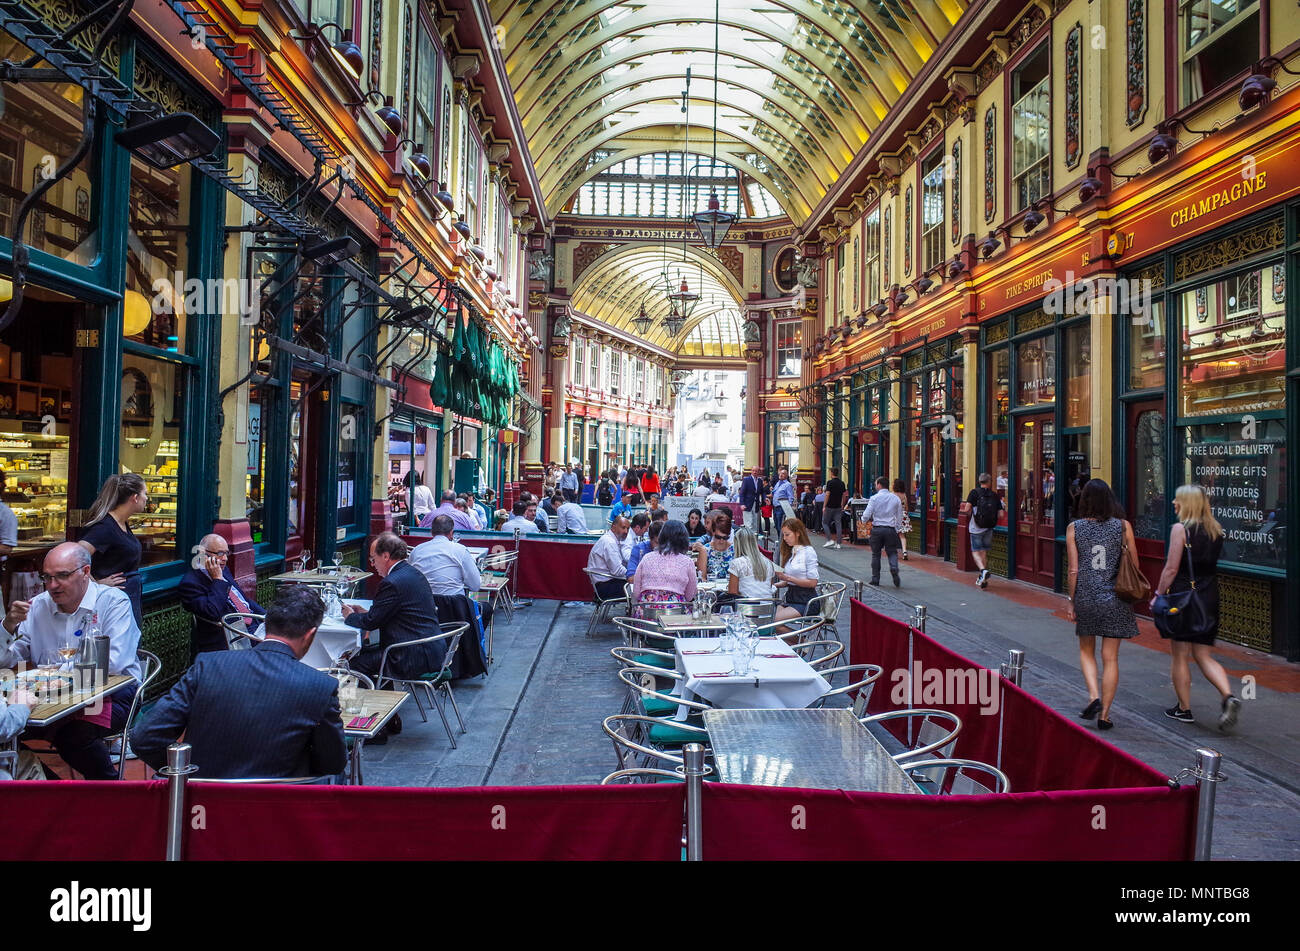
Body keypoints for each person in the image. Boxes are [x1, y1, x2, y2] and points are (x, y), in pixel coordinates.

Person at [132, 586, 347, 780]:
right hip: (276, 810)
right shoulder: (320, 686)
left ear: (267, 624)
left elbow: (145, 737)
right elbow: (334, 763)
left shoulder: (208, 666)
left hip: (200, 805)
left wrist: (186, 770)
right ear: (310, 635)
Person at [1, 543, 141, 779]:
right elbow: (8, 661)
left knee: (75, 737)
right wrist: (7, 627)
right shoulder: (37, 606)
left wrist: (52, 673)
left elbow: (114, 663)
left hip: (113, 693)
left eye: (62, 576)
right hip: (51, 697)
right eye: (47, 577)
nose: (52, 585)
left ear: (85, 572)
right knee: (9, 735)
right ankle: (51, 790)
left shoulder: (113, 602)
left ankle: (112, 789)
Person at [1152, 484, 1241, 731]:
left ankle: (1184, 708)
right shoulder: (1216, 530)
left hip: (1184, 598)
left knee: (1180, 655)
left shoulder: (1180, 530)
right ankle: (1228, 696)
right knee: (1203, 655)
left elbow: (1171, 568)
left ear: (1187, 503)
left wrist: (1158, 595)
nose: (1173, 502)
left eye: (1177, 499)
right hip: (1209, 596)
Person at [1065, 479, 1138, 731]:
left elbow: (1073, 570)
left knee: (1087, 651)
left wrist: (1072, 601)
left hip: (1087, 596)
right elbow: (1134, 566)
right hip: (1116, 598)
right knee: (1111, 658)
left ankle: (1093, 695)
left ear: (1084, 500)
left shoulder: (1074, 528)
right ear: (1110, 499)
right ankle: (1105, 715)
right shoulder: (1123, 527)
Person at [342, 533, 444, 690]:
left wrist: (350, 616)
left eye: (373, 559)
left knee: (353, 665)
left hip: (410, 655)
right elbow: (392, 612)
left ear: (385, 556)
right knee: (367, 654)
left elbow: (372, 622)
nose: (372, 564)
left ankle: (366, 709)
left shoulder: (392, 582)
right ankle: (388, 710)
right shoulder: (413, 573)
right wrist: (367, 612)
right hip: (429, 649)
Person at [178, 533, 265, 658]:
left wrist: (266, 617)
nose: (225, 558)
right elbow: (212, 612)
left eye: (226, 553)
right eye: (219, 554)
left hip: (253, 626)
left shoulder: (224, 570)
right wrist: (217, 579)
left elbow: (244, 600)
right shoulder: (190, 584)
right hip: (232, 636)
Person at [79, 473, 147, 629]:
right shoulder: (105, 527)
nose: (147, 498)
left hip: (126, 597)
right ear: (135, 497)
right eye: (145, 494)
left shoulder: (121, 523)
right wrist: (97, 585)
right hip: (112, 602)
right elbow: (76, 556)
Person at [632, 520, 698, 617]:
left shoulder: (647, 558)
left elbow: (636, 592)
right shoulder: (687, 562)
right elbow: (690, 596)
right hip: (676, 618)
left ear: (661, 537)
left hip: (645, 619)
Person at [961, 473, 1003, 588]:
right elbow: (1001, 514)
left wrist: (972, 514)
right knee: (983, 551)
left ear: (979, 481)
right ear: (989, 482)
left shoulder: (974, 493)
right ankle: (983, 579)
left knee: (975, 551)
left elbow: (967, 509)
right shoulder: (994, 495)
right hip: (989, 528)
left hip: (976, 527)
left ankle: (983, 570)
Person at [862, 476, 904, 587]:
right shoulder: (895, 499)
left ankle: (875, 579)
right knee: (892, 552)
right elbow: (900, 516)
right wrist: (897, 528)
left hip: (877, 529)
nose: (875, 486)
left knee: (876, 554)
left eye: (876, 484)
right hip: (890, 529)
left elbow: (866, 515)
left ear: (879, 485)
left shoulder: (874, 498)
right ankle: (894, 567)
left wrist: (863, 520)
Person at [773, 518, 819, 623]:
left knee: (774, 621)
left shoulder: (808, 552)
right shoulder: (792, 551)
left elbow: (813, 583)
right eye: (783, 535)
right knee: (769, 619)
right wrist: (774, 585)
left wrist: (787, 578)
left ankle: (802, 640)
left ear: (798, 533)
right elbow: (790, 581)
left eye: (787, 535)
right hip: (791, 598)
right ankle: (798, 640)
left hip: (806, 601)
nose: (784, 538)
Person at [727, 527, 777, 601]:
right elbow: (769, 586)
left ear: (737, 544)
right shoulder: (768, 562)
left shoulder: (737, 563)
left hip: (747, 608)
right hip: (768, 607)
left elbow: (732, 593)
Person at [586, 515, 630, 600]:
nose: (626, 531)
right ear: (613, 527)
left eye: (628, 529)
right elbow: (617, 571)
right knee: (639, 588)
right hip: (605, 587)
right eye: (623, 528)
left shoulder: (611, 540)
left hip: (605, 583)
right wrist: (634, 575)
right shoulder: (609, 542)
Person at [694, 509, 735, 580]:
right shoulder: (705, 550)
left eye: (725, 537)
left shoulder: (735, 549)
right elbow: (702, 578)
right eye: (718, 537)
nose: (721, 541)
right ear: (713, 532)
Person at [822, 470, 848, 550]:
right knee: (838, 524)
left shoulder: (829, 483)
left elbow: (827, 494)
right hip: (838, 506)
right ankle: (839, 543)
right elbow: (844, 495)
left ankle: (829, 540)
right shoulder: (842, 483)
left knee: (825, 522)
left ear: (831, 473)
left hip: (829, 506)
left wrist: (824, 505)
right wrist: (842, 504)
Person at [770, 466, 795, 536]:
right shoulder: (778, 483)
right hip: (775, 507)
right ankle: (780, 540)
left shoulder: (788, 485)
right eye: (780, 473)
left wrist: (787, 509)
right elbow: (774, 493)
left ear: (786, 476)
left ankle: (782, 541)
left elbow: (791, 497)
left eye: (783, 474)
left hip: (781, 508)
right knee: (777, 526)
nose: (781, 475)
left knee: (780, 526)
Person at [892, 479, 913, 562]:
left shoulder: (893, 495)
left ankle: (893, 552)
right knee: (902, 536)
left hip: (895, 516)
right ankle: (904, 552)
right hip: (903, 516)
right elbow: (907, 508)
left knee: (892, 534)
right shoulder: (904, 495)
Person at [739, 467, 765, 534]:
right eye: (753, 471)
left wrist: (765, 498)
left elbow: (762, 492)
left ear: (758, 472)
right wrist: (742, 504)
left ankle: (754, 539)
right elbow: (742, 492)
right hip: (747, 504)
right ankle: (748, 538)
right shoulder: (746, 480)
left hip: (756, 504)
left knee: (755, 523)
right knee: (748, 523)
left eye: (756, 471)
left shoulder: (760, 481)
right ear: (751, 471)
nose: (754, 472)